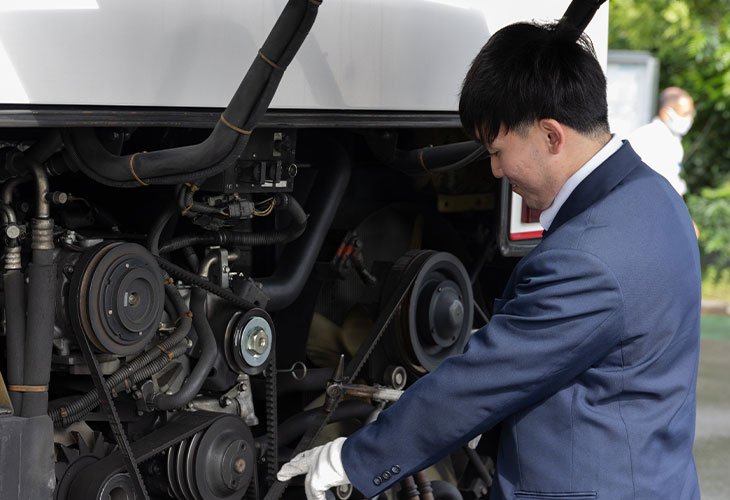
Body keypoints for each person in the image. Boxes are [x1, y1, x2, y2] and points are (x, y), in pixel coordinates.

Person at [278, 21, 701, 500]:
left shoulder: (589, 256)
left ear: (551, 135)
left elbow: (484, 383)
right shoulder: (656, 198)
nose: (496, 171)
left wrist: (350, 458)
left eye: (498, 152)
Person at [627, 87, 696, 196]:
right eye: (685, 113)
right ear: (666, 113)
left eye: (692, 113)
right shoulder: (653, 139)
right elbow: (664, 189)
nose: (690, 119)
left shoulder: (670, 138)